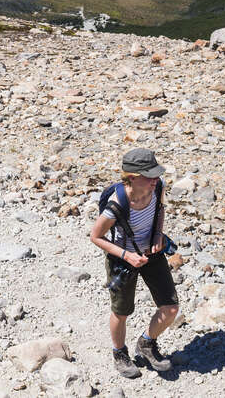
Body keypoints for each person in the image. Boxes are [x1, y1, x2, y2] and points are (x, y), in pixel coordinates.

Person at [89, 148, 179, 378]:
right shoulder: (116, 204)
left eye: (156, 174)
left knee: (170, 308)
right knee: (121, 312)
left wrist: (158, 233)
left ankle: (147, 343)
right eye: (150, 176)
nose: (155, 179)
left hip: (152, 253)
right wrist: (126, 255)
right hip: (123, 260)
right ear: (132, 176)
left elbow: (160, 209)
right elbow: (96, 237)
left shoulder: (157, 187)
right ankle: (119, 353)